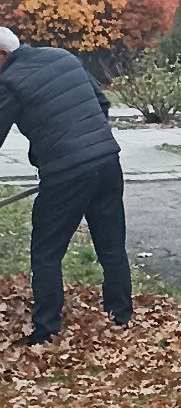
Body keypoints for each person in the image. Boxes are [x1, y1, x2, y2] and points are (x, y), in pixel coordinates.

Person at [0, 28, 133, 345]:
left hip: (66, 172)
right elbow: (102, 104)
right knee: (111, 244)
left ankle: (46, 329)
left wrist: (60, 153)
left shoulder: (9, 81)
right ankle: (121, 315)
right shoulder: (62, 56)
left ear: (2, 55)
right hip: (107, 160)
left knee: (46, 251)